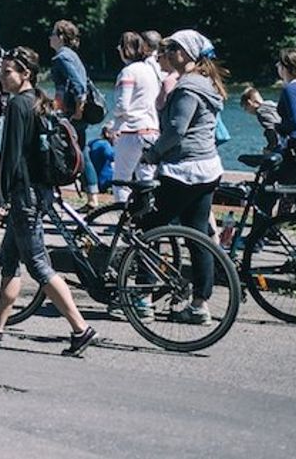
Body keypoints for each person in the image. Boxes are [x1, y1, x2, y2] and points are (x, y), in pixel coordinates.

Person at [0, 47, 97, 356]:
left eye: (8, 72)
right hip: (40, 190)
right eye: (1, 71)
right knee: (10, 260)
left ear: (25, 74)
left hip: (25, 195)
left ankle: (81, 328)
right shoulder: (40, 101)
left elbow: (10, 155)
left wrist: (0, 196)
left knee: (38, 265)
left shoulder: (17, 106)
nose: (2, 76)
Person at [138, 29, 227, 324]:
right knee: (198, 234)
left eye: (172, 49)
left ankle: (143, 297)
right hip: (207, 167)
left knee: (149, 229)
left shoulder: (188, 87)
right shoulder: (206, 83)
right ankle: (200, 304)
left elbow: (176, 130)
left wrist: (152, 154)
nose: (167, 54)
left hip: (183, 170)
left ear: (187, 54)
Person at [250, 48, 296, 258]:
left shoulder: (290, 90)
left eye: (279, 64)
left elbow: (294, 123)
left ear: (286, 67)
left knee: (264, 194)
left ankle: (256, 241)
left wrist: (277, 128)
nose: (277, 68)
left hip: (293, 150)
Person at [48, 19, 99, 208]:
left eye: (53, 34)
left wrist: (78, 110)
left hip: (72, 113)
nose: (50, 37)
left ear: (61, 36)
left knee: (60, 150)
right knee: (83, 152)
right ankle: (92, 196)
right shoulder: (71, 55)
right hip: (72, 111)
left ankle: (54, 191)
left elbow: (78, 84)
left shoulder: (62, 57)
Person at [110, 31, 160, 207]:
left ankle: (124, 217)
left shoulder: (128, 72)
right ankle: (147, 216)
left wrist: (113, 114)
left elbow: (123, 105)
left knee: (121, 178)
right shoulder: (151, 71)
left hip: (131, 130)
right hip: (151, 129)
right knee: (146, 178)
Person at [240, 86, 281, 152]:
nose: (247, 112)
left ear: (250, 103)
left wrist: (270, 148)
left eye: (245, 108)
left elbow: (272, 130)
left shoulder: (261, 112)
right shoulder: (271, 104)